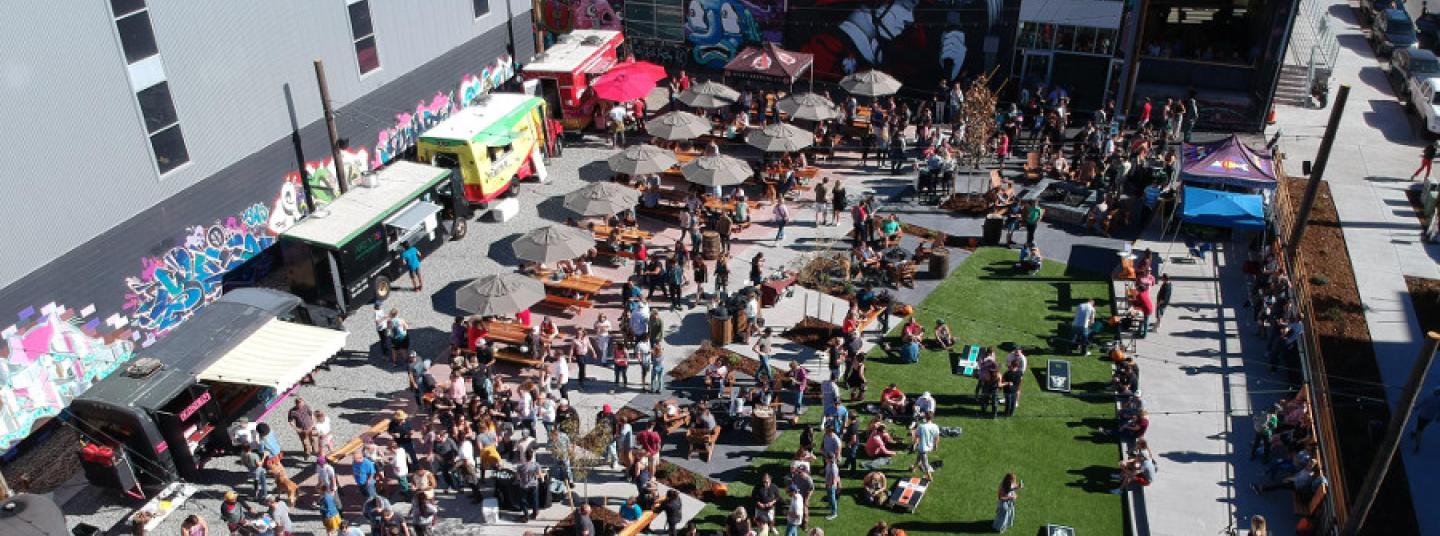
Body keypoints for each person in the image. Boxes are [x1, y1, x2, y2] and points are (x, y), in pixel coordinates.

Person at [516, 450, 544, 522]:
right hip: (534, 484)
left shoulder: (520, 466)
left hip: (524, 486)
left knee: (524, 500)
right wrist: (535, 476)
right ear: (532, 456)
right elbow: (539, 475)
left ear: (525, 456)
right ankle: (535, 514)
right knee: (535, 500)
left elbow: (518, 477)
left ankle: (526, 516)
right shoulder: (536, 465)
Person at [911, 413, 940, 480]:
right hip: (930, 446)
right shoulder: (935, 426)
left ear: (925, 417)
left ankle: (929, 477)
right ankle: (914, 468)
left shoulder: (921, 426)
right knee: (919, 457)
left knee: (925, 463)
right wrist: (935, 445)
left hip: (923, 447)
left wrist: (914, 445)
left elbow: (917, 437)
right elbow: (937, 437)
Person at [1412, 387, 1440, 452]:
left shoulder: (1429, 397)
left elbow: (1422, 403)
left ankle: (1417, 446)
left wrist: (1416, 407)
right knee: (1421, 427)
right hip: (1429, 418)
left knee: (1420, 429)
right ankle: (1416, 433)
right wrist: (1438, 417)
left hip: (1422, 416)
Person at [824, 454, 841, 520]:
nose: (825, 459)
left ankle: (834, 513)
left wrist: (830, 485)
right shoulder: (829, 464)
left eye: (826, 458)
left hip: (831, 485)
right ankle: (830, 506)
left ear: (829, 459)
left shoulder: (833, 467)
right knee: (829, 496)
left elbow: (834, 478)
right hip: (828, 483)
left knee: (832, 498)